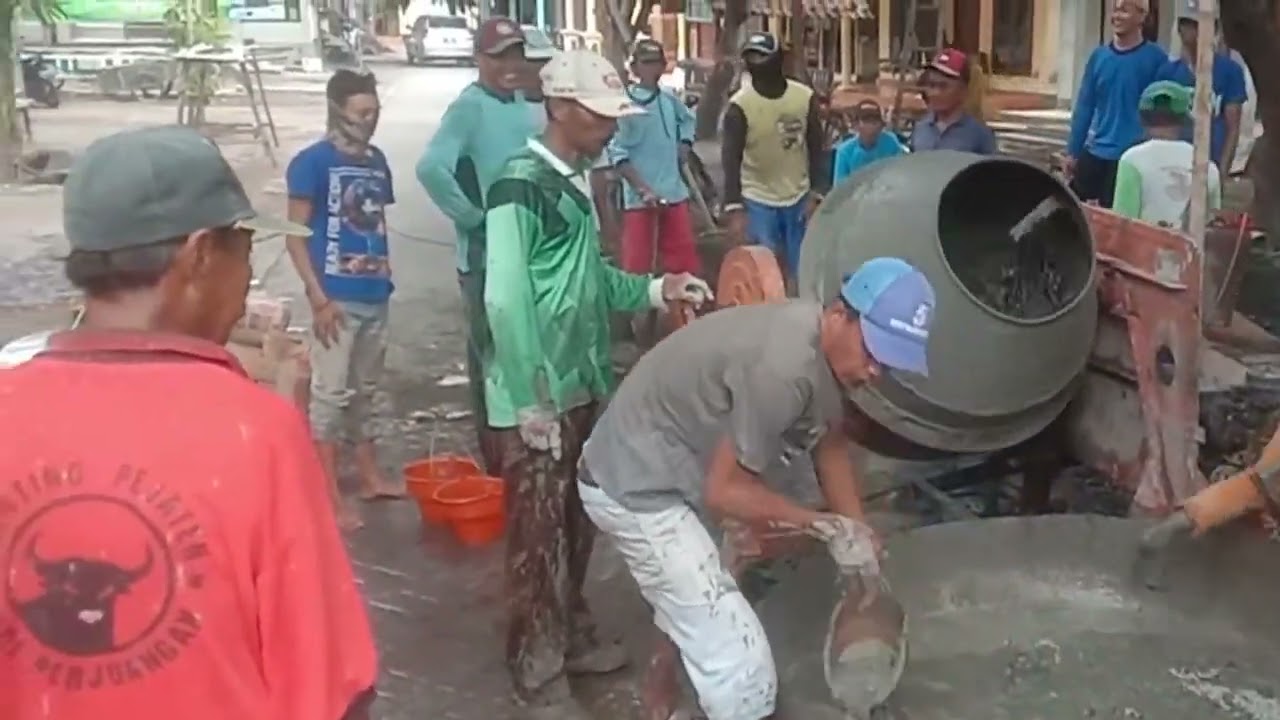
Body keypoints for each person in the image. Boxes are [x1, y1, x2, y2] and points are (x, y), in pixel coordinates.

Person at [0, 126, 377, 719]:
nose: (247, 282)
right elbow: (330, 691)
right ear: (200, 255)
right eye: (245, 255)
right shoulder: (256, 434)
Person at [578, 257, 937, 720]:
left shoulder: (820, 347)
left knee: (709, 572)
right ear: (839, 316)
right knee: (742, 670)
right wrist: (823, 526)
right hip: (634, 484)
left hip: (677, 455)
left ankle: (659, 692)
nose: (875, 371)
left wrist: (858, 532)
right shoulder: (785, 367)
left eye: (889, 363)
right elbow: (724, 492)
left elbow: (828, 441)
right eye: (873, 352)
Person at [482, 48, 714, 718]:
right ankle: (535, 666)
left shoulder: (580, 178)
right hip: (537, 394)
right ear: (558, 108)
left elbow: (587, 280)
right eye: (599, 115)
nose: (611, 127)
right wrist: (531, 399)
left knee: (575, 525)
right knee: (535, 539)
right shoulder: (517, 184)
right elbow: (504, 299)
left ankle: (569, 632)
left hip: (580, 380)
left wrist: (654, 286)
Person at [418, 15, 538, 476]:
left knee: (523, 353)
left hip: (526, 254)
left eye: (515, 54)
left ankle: (520, 452)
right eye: (498, 56)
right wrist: (475, 219)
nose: (510, 65)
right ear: (479, 60)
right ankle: (496, 466)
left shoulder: (525, 106)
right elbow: (432, 168)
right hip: (485, 259)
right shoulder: (469, 107)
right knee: (491, 362)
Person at [285, 69, 400, 532]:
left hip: (375, 293)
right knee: (330, 395)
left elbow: (376, 222)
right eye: (361, 113)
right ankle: (327, 493)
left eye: (375, 112)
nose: (370, 121)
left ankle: (370, 477)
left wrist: (385, 271)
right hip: (334, 297)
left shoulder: (377, 161)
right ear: (337, 111)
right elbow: (295, 237)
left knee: (365, 392)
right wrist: (318, 297)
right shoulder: (310, 163)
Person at [722, 31, 829, 286]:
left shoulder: (803, 98)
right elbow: (731, 158)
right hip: (757, 196)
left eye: (762, 56)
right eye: (751, 57)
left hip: (799, 194)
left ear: (778, 60)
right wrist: (734, 207)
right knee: (764, 268)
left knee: (803, 266)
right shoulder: (740, 106)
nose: (756, 63)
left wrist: (817, 193)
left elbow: (817, 147)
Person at [607, 38, 701, 276]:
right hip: (640, 197)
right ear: (635, 67)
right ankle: (639, 310)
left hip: (673, 191)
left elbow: (688, 120)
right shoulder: (623, 104)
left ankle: (679, 309)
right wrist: (641, 188)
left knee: (681, 261)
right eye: (646, 63)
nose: (652, 69)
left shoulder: (669, 98)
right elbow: (618, 151)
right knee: (637, 264)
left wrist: (685, 144)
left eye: (656, 63)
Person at [1064, 0, 1167, 207]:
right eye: (1115, 10)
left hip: (1132, 157)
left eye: (1125, 10)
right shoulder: (1099, 57)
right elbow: (1084, 106)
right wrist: (1072, 151)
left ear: (1142, 17)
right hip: (1096, 151)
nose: (1117, 16)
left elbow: (1162, 111)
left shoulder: (1156, 59)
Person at [1112, 81, 1221, 228]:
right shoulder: (1207, 165)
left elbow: (1122, 222)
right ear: (1184, 119)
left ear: (1142, 118)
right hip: (1192, 249)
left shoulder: (1132, 160)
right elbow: (1214, 222)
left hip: (1144, 247)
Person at [1155, 12, 1248, 175]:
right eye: (1185, 24)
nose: (1190, 31)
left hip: (1212, 162)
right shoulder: (1168, 73)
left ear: (1214, 30)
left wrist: (1222, 172)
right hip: (1175, 163)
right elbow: (1159, 125)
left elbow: (1233, 127)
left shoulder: (1230, 71)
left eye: (1196, 25)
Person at [909, 48, 998, 155]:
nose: (935, 93)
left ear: (963, 90)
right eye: (931, 85)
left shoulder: (979, 134)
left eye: (943, 86)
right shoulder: (920, 128)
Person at [832, 99, 906, 186]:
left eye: (874, 121)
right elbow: (839, 189)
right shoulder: (845, 152)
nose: (871, 126)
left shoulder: (891, 142)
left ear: (881, 126)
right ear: (856, 125)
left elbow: (901, 176)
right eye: (866, 121)